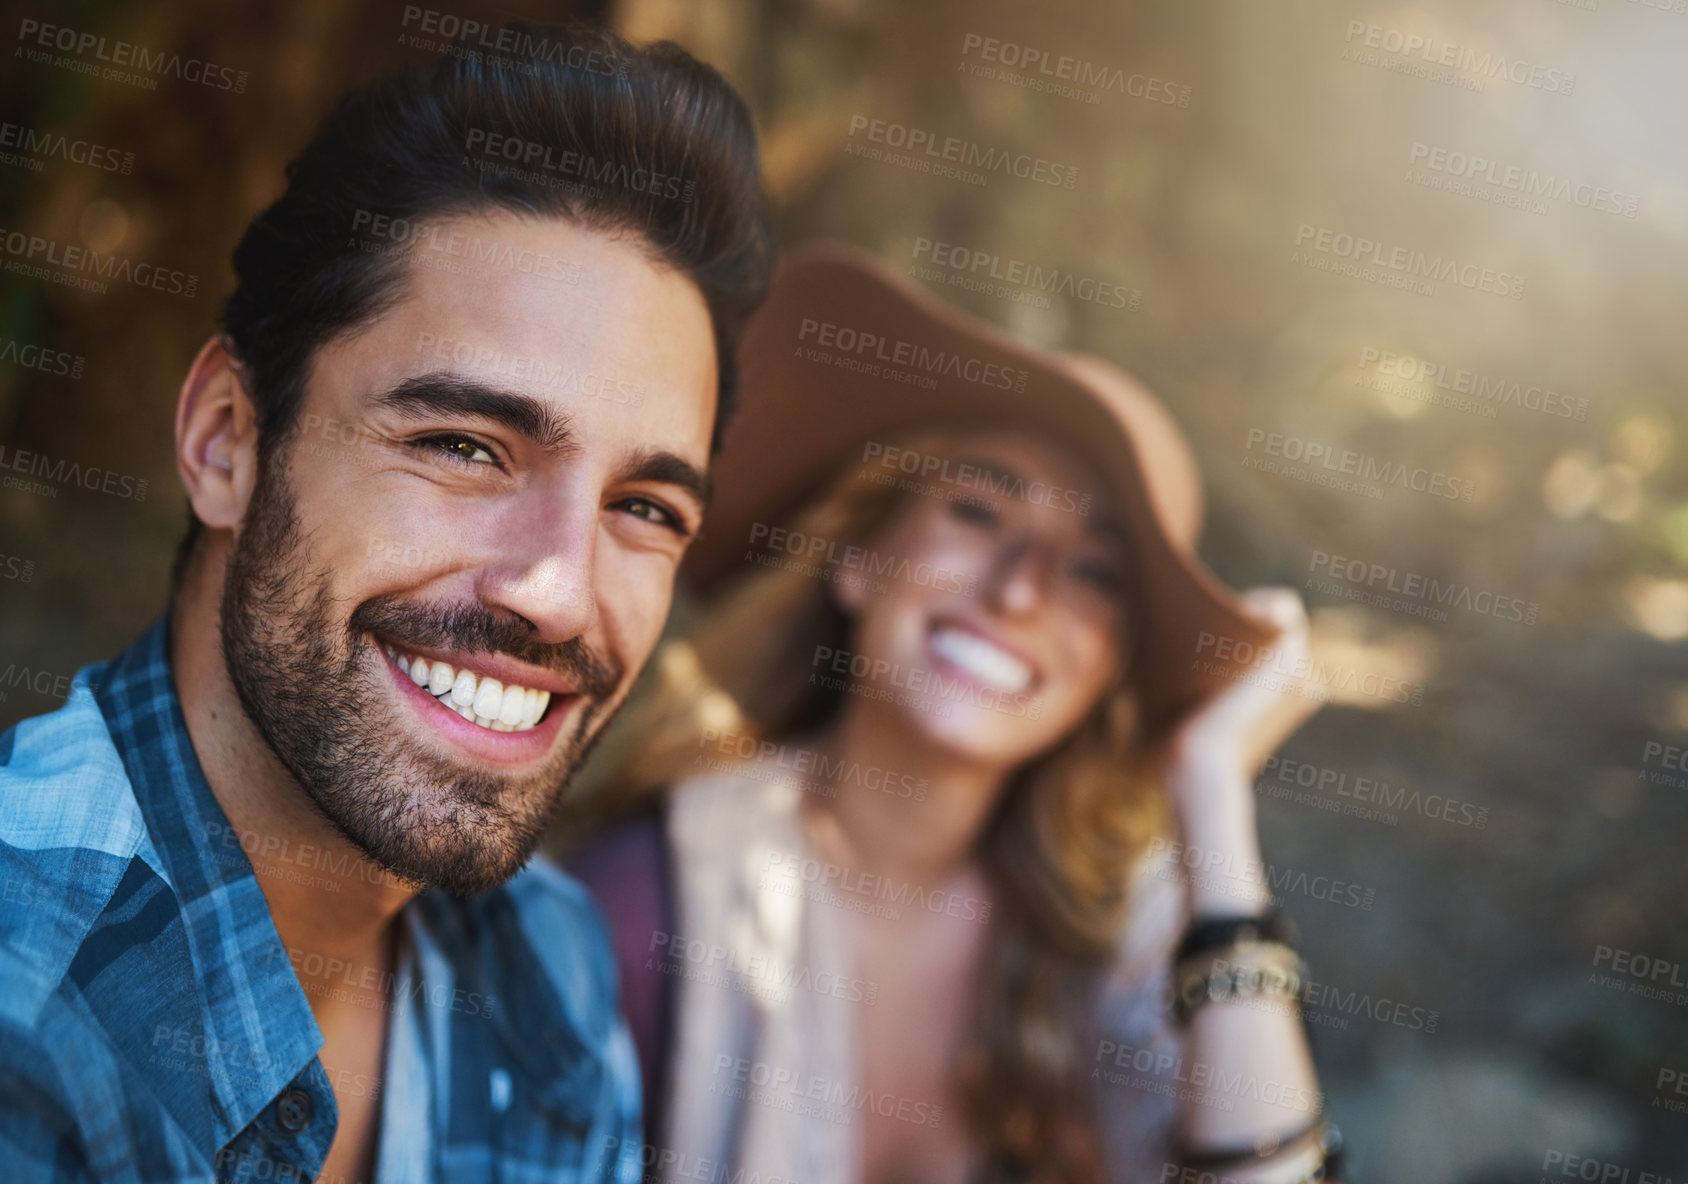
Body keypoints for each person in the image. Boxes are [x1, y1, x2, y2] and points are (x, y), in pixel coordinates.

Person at [0, 22, 775, 1183]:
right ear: (226, 438)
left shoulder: (549, 975)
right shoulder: (27, 1000)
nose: (557, 593)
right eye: (465, 445)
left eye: (645, 507)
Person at [568, 243, 1346, 1184]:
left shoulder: (1113, 932)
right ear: (858, 560)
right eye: (978, 513)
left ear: (1111, 671)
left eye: (1094, 570)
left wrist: (1213, 794)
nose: (1022, 591)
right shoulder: (649, 901)